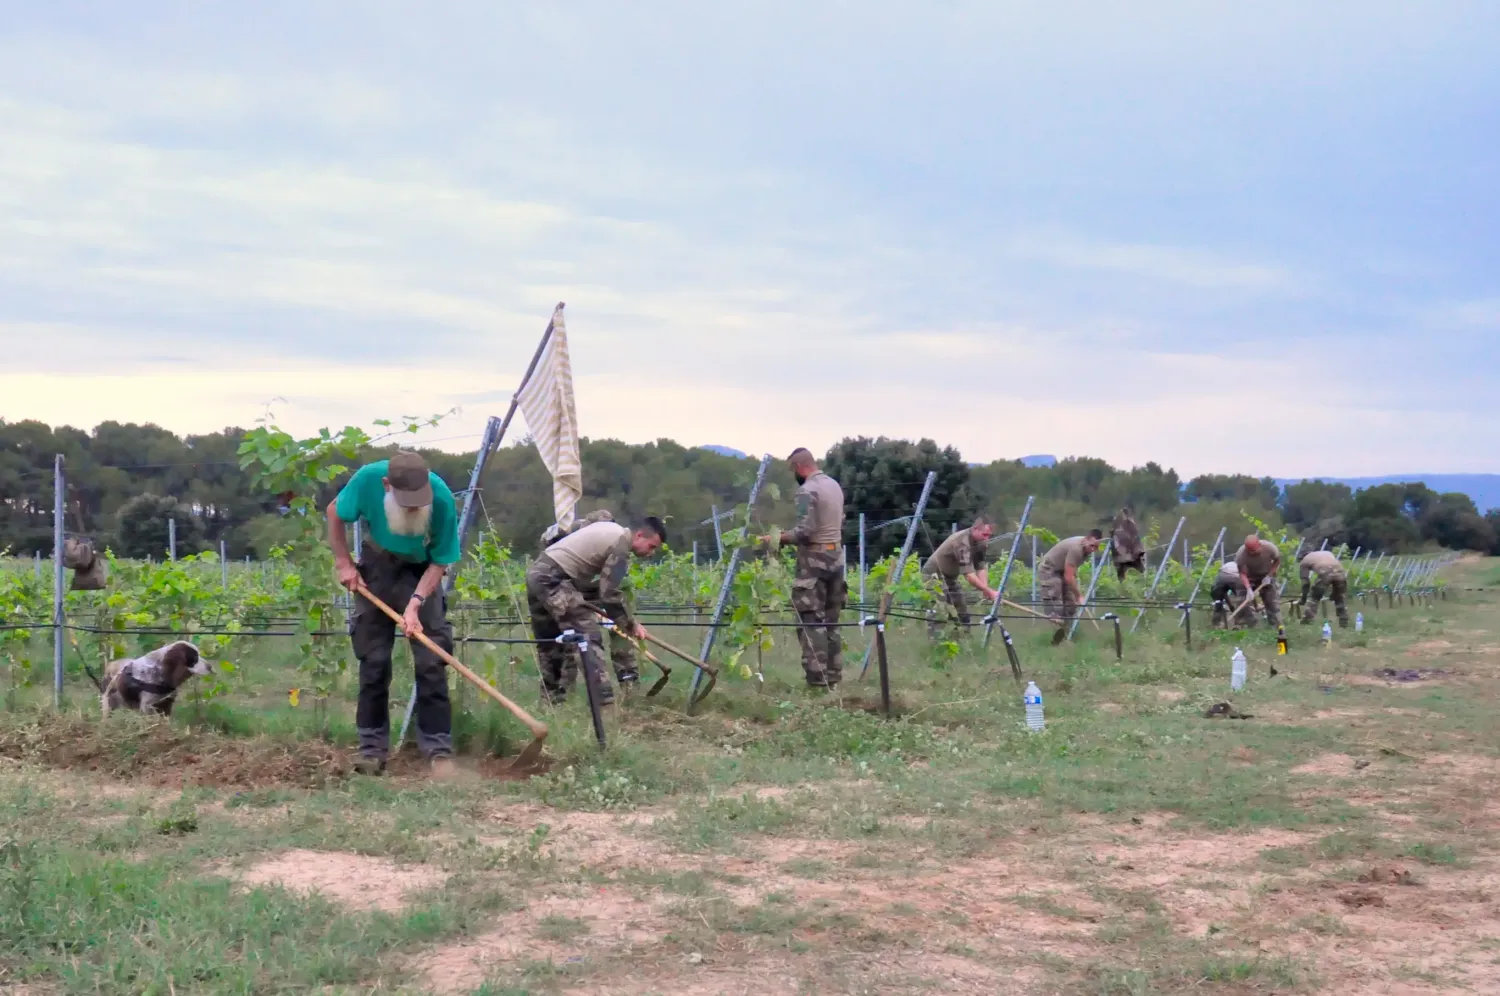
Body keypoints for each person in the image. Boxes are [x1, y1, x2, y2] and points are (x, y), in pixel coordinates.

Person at [327, 451, 460, 779]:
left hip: (422, 571)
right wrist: (344, 563)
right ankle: (372, 751)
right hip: (378, 566)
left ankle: (438, 750)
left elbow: (441, 560)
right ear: (387, 485)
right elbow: (334, 512)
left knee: (432, 660)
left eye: (419, 500)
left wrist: (416, 603)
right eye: (408, 501)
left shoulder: (440, 497)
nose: (415, 507)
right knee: (373, 661)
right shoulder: (367, 479)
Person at [526, 515, 666, 706]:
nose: (651, 553)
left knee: (551, 643)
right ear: (639, 535)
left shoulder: (605, 527)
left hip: (537, 574)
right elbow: (609, 593)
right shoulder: (620, 546)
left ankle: (552, 703)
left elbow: (555, 537)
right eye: (652, 547)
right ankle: (605, 704)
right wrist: (630, 624)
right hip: (553, 579)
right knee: (587, 636)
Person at [767, 448, 846, 688]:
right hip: (837, 557)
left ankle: (817, 681)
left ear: (800, 468)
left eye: (793, 471)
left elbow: (804, 531)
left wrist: (776, 538)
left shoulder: (807, 490)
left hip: (814, 561)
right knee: (832, 622)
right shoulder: (834, 486)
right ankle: (833, 678)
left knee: (811, 622)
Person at [537, 509, 639, 691]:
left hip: (600, 585)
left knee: (621, 630)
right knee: (570, 638)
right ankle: (561, 690)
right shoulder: (563, 532)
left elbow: (611, 589)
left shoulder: (615, 542)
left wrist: (624, 619)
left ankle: (628, 680)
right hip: (565, 583)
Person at [922, 516, 997, 636]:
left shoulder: (981, 543)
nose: (987, 539)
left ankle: (963, 643)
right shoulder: (961, 542)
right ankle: (936, 645)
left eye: (989, 535)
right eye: (984, 535)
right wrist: (989, 591)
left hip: (950, 578)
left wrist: (985, 589)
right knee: (939, 612)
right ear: (975, 529)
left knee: (962, 612)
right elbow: (969, 576)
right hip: (933, 576)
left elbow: (980, 567)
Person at [1037, 530, 1103, 645]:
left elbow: (1071, 572)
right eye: (1092, 546)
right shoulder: (1076, 549)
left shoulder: (1085, 549)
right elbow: (1068, 577)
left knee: (1071, 604)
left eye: (1096, 547)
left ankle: (1069, 636)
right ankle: (1057, 641)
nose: (1093, 549)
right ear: (1086, 539)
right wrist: (1079, 596)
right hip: (1050, 569)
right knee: (1056, 603)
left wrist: (1075, 596)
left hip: (1062, 570)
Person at [1232, 534, 1283, 629]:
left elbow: (1277, 561)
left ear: (1259, 545)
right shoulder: (1241, 554)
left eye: (1254, 551)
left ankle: (1276, 626)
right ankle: (1246, 625)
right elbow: (1242, 573)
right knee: (1243, 600)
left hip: (1266, 575)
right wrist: (1248, 589)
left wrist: (1269, 576)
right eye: (1249, 551)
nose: (1251, 553)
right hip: (1249, 576)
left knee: (1271, 601)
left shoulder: (1270, 548)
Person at [1299, 549, 1349, 627]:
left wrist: (1303, 598)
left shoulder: (1304, 561)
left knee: (1314, 599)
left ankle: (1307, 621)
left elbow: (1305, 583)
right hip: (1341, 572)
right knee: (1340, 598)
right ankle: (1344, 621)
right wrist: (1334, 593)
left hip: (1325, 572)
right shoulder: (1327, 553)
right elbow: (1333, 571)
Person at [1209, 561, 1256, 628]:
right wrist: (1255, 606)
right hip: (1234, 576)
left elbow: (1223, 593)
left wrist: (1231, 606)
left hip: (1221, 576)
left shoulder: (1230, 564)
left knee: (1218, 602)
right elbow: (1249, 592)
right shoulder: (1248, 567)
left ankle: (1216, 624)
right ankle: (1246, 620)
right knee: (1242, 598)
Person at [1110, 507, 1146, 582]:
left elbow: (1135, 534)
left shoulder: (1130, 523)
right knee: (1122, 572)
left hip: (1131, 553)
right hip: (1123, 554)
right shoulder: (1118, 528)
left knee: (1139, 569)